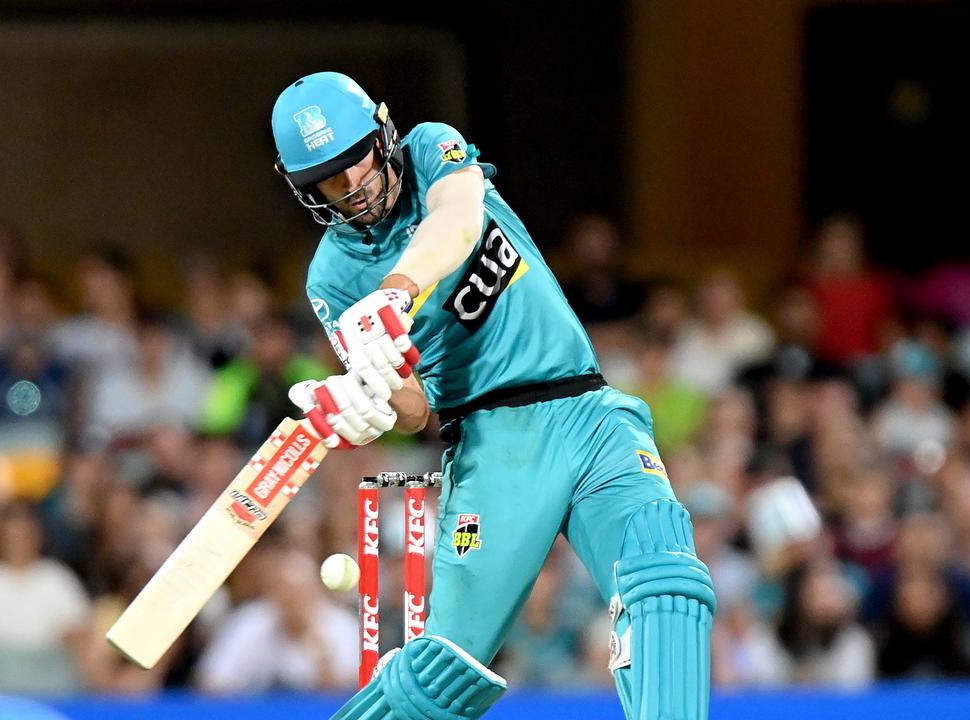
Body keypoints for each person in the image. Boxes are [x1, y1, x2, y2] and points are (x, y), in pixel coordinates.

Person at [270, 72, 715, 720]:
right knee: (439, 679)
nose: (354, 187)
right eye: (329, 182)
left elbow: (458, 218)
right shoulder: (332, 277)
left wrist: (396, 292)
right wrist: (369, 398)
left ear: (382, 133)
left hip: (588, 410)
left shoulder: (429, 152)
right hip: (492, 447)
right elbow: (416, 409)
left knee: (666, 580)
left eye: (355, 161)